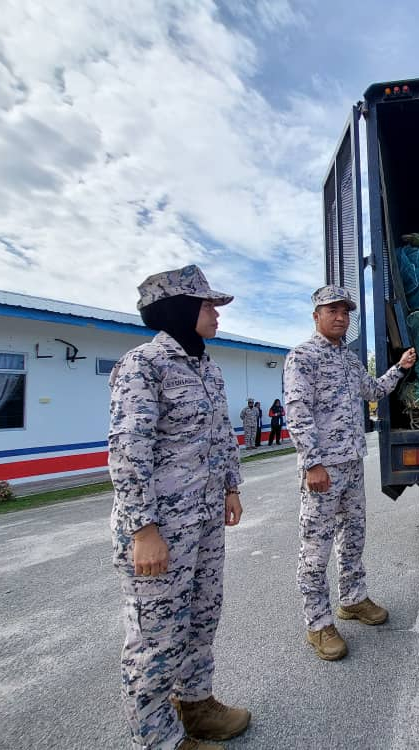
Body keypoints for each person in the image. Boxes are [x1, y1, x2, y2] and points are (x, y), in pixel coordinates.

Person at [108, 265, 251, 750]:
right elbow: (129, 450)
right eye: (208, 305)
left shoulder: (205, 365)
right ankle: (159, 741)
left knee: (202, 617)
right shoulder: (143, 364)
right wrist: (142, 530)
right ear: (180, 309)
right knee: (156, 639)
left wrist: (231, 487)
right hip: (161, 528)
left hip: (205, 518)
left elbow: (221, 436)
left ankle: (196, 706)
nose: (215, 314)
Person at [284, 285, 417, 660]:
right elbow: (297, 413)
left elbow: (372, 390)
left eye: (345, 311)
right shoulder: (302, 357)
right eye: (332, 310)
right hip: (322, 469)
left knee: (353, 537)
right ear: (316, 315)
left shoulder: (349, 359)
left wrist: (400, 368)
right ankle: (318, 624)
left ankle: (353, 599)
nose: (340, 316)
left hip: (351, 465)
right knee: (316, 548)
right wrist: (312, 463)